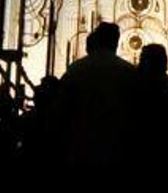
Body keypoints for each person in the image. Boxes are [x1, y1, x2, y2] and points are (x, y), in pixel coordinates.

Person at [55, 22, 140, 176]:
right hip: (117, 154)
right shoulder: (129, 72)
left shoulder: (76, 70)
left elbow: (61, 111)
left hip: (80, 151)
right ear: (116, 42)